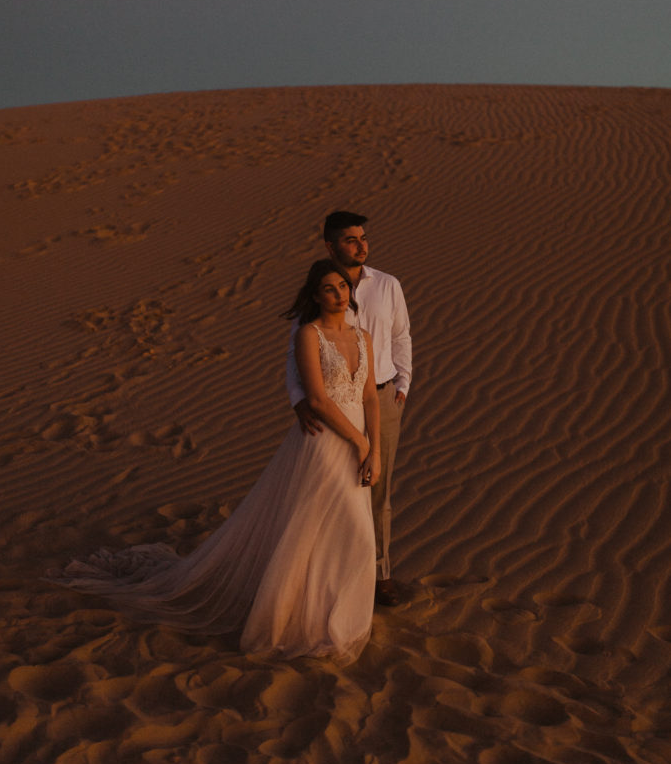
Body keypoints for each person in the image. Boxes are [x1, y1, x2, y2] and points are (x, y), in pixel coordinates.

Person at [48, 259, 381, 665]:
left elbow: (369, 398)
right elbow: (316, 400)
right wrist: (358, 442)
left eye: (343, 286)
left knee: (340, 534)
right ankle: (296, 623)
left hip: (360, 443)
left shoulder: (362, 336)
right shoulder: (308, 335)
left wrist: (373, 447)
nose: (339, 294)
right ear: (315, 296)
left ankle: (331, 616)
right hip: (325, 444)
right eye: (329, 288)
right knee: (345, 530)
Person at [286, 212, 412, 607]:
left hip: (380, 398)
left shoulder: (388, 285)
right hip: (331, 407)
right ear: (331, 246)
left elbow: (400, 335)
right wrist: (297, 400)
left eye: (363, 238)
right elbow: (296, 353)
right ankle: (324, 575)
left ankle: (379, 575)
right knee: (327, 493)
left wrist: (403, 384)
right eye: (350, 240)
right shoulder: (319, 287)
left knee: (377, 491)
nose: (361, 245)